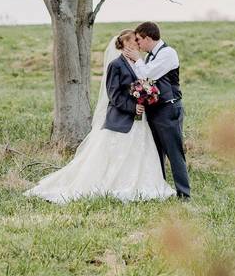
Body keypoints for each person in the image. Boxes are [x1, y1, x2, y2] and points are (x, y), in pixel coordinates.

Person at [24, 29, 176, 204]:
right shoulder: (116, 65)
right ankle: (111, 184)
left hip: (140, 121)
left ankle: (137, 182)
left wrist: (146, 98)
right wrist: (133, 107)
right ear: (126, 43)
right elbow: (113, 95)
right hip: (121, 118)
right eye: (134, 40)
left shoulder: (136, 63)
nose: (138, 43)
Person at [124, 21, 190, 199]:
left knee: (174, 152)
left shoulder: (167, 53)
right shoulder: (149, 57)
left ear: (147, 37)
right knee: (156, 153)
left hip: (169, 109)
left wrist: (137, 60)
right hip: (155, 110)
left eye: (138, 40)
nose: (137, 44)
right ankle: (161, 190)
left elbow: (147, 75)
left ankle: (184, 194)